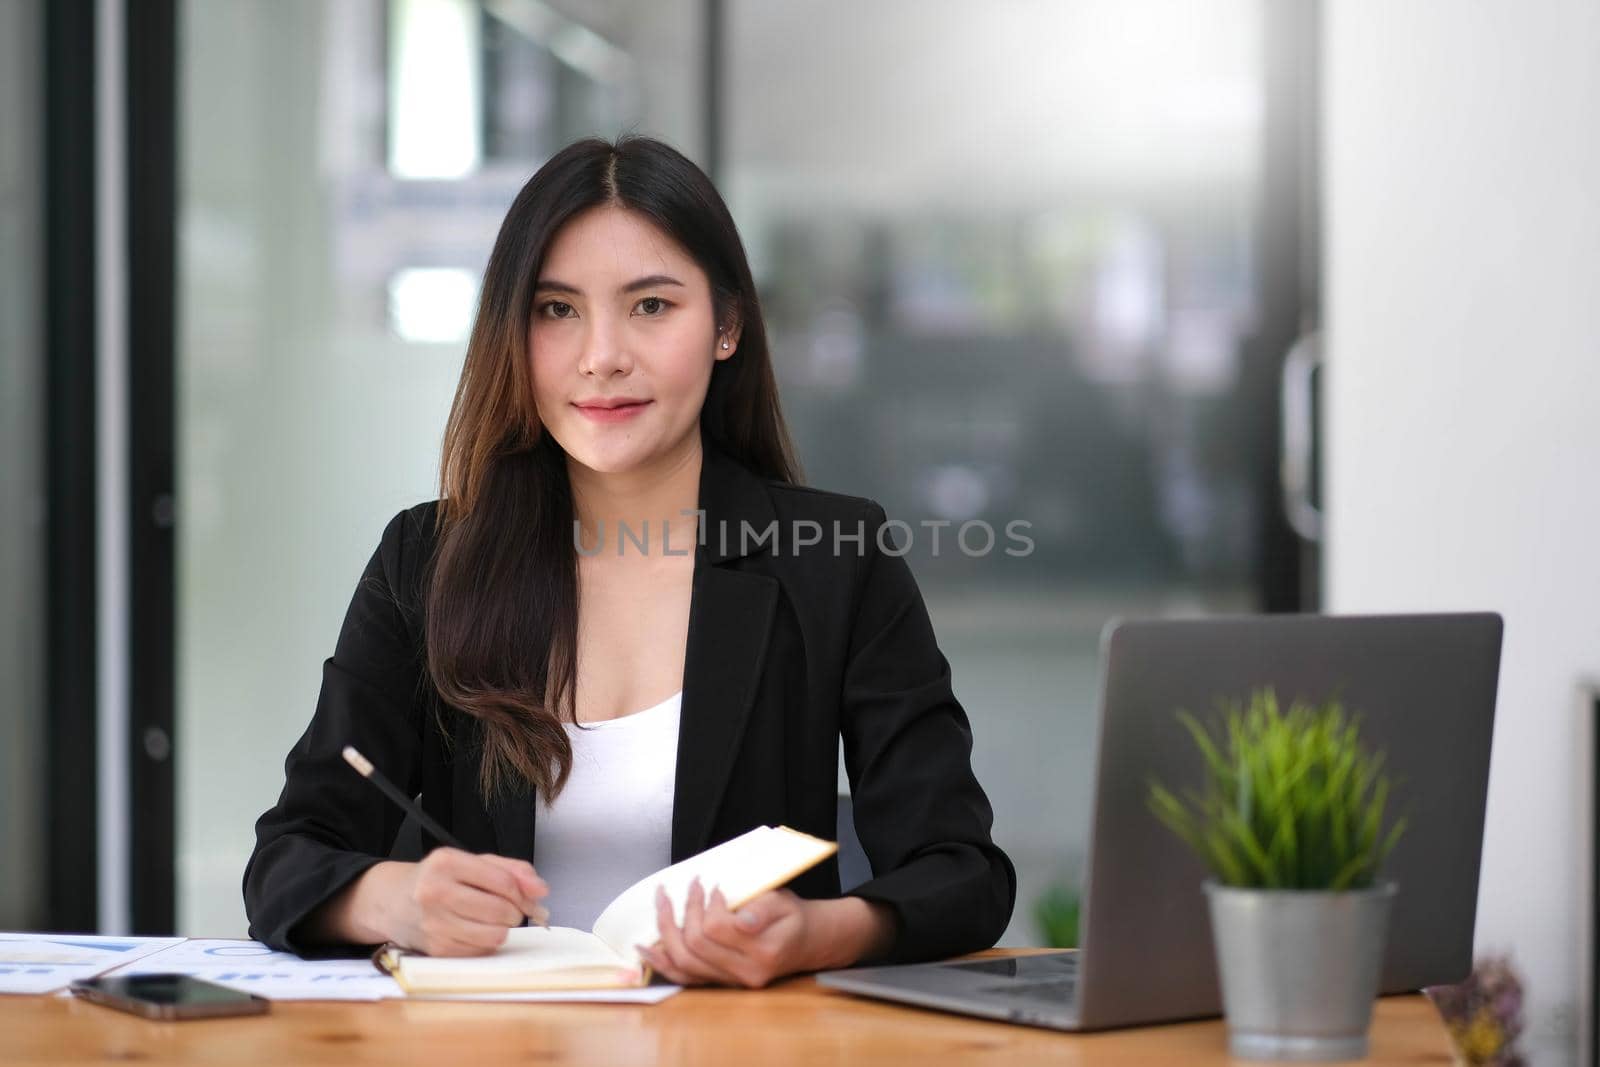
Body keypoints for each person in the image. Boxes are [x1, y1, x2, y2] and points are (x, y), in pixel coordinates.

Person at [242, 134, 1015, 988]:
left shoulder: (836, 561)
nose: (601, 355)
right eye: (556, 309)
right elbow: (286, 858)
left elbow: (964, 874)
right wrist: (393, 897)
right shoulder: (427, 560)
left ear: (726, 326)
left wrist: (813, 933)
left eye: (650, 307)